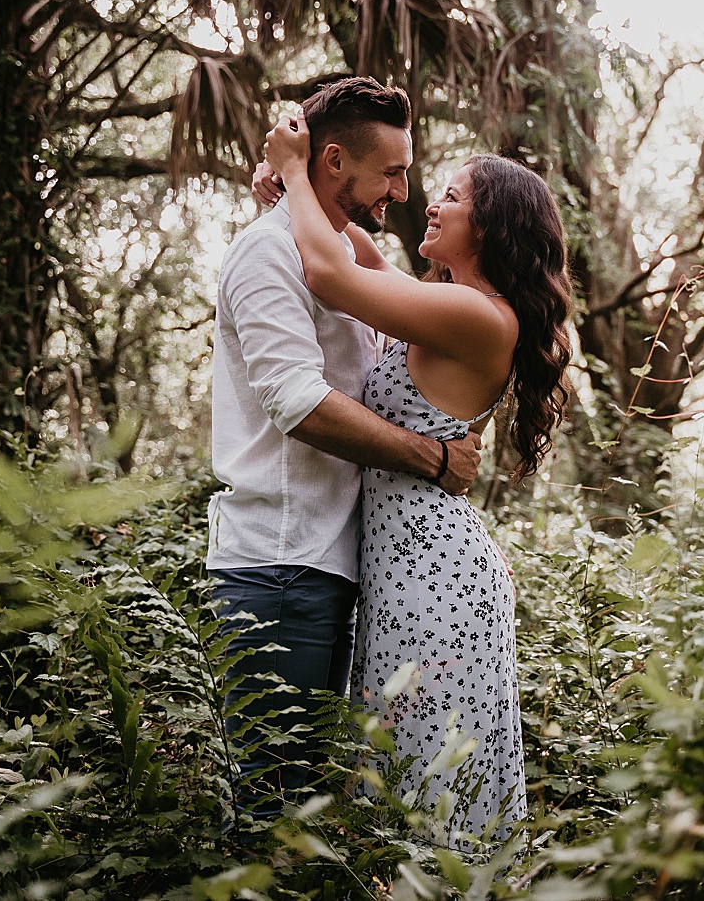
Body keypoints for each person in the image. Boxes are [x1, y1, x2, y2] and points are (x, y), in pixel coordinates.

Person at [260, 113, 573, 843]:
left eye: (455, 197)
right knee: (406, 765)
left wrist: (298, 171)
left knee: (426, 770)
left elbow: (335, 276)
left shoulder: (479, 316)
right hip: (411, 565)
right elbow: (359, 253)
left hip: (434, 572)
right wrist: (289, 196)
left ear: (493, 227)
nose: (432, 200)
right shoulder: (455, 305)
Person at [207, 76, 483, 820]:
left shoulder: (335, 255)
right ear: (333, 161)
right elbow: (298, 402)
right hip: (277, 568)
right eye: (390, 172)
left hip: (332, 572)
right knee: (274, 809)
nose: (402, 189)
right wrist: (432, 457)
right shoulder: (268, 256)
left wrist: (287, 178)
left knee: (310, 813)